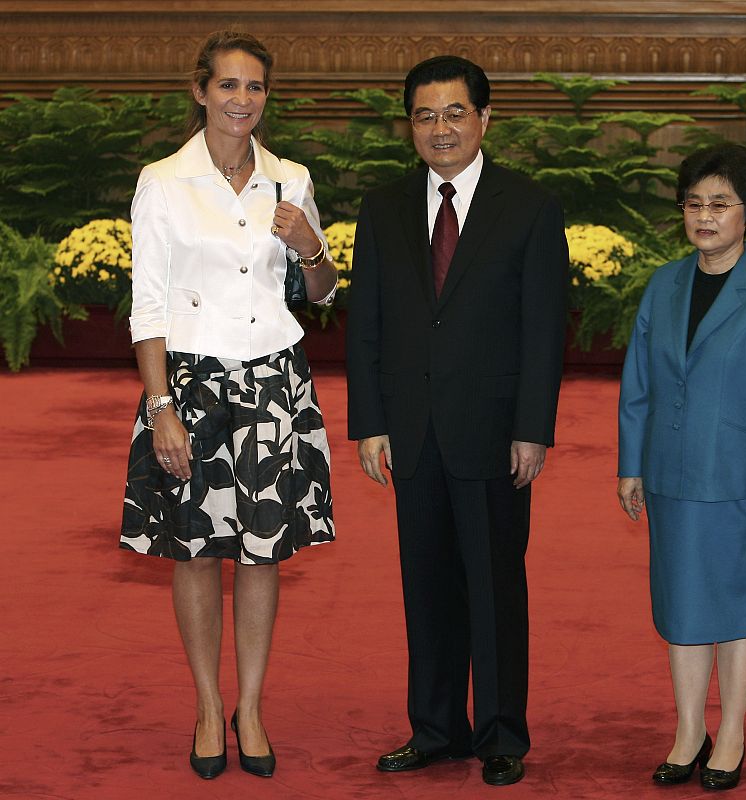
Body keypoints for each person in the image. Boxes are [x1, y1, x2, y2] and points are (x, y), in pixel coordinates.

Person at [119, 30, 337, 780]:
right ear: (200, 91)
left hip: (274, 381)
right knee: (194, 551)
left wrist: (311, 245)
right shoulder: (164, 181)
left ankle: (251, 705)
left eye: (255, 88)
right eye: (229, 86)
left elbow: (321, 292)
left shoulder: (292, 178)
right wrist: (160, 407)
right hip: (192, 384)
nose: (242, 100)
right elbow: (147, 307)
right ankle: (208, 705)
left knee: (264, 553)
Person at [346, 55, 568, 787]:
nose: (439, 129)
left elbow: (544, 329)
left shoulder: (529, 206)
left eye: (453, 113)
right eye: (423, 115)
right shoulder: (382, 207)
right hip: (411, 429)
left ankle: (502, 731)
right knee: (427, 585)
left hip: (496, 430)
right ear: (408, 125)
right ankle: (435, 728)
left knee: (496, 585)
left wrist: (533, 427)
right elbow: (367, 325)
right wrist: (369, 422)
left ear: (484, 119)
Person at [617, 144, 746, 791]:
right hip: (670, 477)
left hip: (736, 483)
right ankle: (689, 729)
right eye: (695, 203)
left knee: (733, 608)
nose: (705, 216)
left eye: (720, 204)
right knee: (682, 608)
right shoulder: (664, 285)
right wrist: (630, 465)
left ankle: (732, 733)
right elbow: (637, 380)